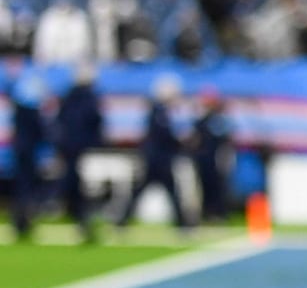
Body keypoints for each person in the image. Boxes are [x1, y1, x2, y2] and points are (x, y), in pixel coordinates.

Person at [116, 73, 192, 232]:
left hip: (159, 159)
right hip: (157, 160)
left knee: (165, 192)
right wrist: (180, 141)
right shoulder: (158, 112)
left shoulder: (162, 111)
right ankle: (182, 225)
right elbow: (164, 135)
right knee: (161, 191)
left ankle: (182, 224)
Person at [54, 63, 104, 243]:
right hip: (83, 148)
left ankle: (70, 210)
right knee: (81, 184)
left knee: (72, 180)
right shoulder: (89, 98)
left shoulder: (68, 96)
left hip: (69, 147)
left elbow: (60, 120)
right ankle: (81, 217)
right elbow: (95, 121)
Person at [6, 70, 48, 240]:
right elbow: (41, 132)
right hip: (29, 153)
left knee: (21, 189)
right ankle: (23, 221)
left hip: (20, 151)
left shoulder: (19, 110)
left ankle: (19, 222)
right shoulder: (32, 112)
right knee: (28, 189)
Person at [189, 86, 233, 223]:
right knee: (203, 187)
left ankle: (219, 213)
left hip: (216, 159)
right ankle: (206, 213)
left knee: (218, 187)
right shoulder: (202, 119)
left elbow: (224, 139)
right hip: (203, 159)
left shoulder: (219, 119)